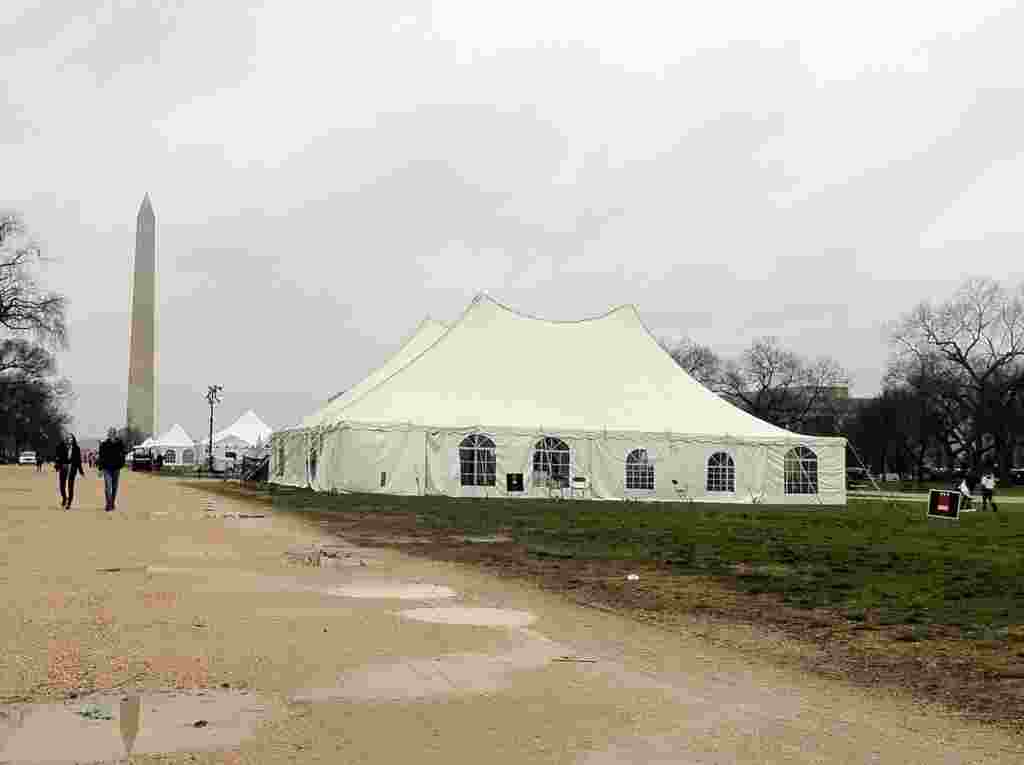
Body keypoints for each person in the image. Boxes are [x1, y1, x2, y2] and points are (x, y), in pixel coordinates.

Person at [97, 427, 126, 512]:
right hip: (107, 469)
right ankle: (108, 504)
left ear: (115, 434)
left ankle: (112, 502)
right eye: (110, 433)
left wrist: (122, 464)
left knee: (114, 487)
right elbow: (101, 457)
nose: (111, 434)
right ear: (108, 434)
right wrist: (100, 469)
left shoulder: (120, 443)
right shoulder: (104, 444)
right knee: (108, 487)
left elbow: (123, 453)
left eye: (113, 433)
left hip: (116, 468)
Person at [54, 433, 85, 509]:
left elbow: (78, 460)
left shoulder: (76, 448)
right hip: (63, 467)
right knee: (62, 486)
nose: (69, 439)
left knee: (70, 486)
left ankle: (69, 503)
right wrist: (57, 466)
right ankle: (64, 498)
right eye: (67, 438)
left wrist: (81, 471)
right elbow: (57, 457)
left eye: (70, 438)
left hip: (72, 468)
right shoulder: (60, 446)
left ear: (73, 439)